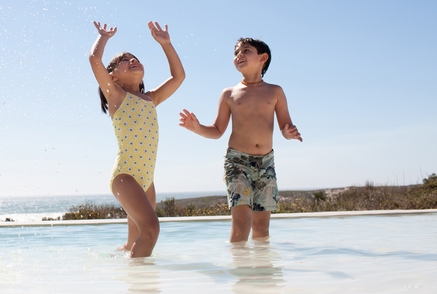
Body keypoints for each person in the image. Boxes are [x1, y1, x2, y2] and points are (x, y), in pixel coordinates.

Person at [179, 38, 302, 243]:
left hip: (266, 163)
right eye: (236, 52)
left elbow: (284, 125)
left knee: (262, 226)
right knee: (242, 221)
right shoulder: (229, 94)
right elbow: (218, 130)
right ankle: (241, 271)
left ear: (263, 58)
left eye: (246, 50)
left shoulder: (275, 91)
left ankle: (262, 272)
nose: (239, 55)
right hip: (237, 162)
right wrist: (197, 128)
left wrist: (288, 133)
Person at [89, 21, 185, 257]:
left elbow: (178, 76)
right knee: (151, 230)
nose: (132, 60)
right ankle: (142, 290)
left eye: (135, 58)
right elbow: (94, 60)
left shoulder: (151, 99)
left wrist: (166, 45)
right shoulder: (116, 95)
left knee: (134, 241)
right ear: (114, 77)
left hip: (146, 180)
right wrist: (103, 37)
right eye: (125, 60)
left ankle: (115, 266)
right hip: (125, 176)